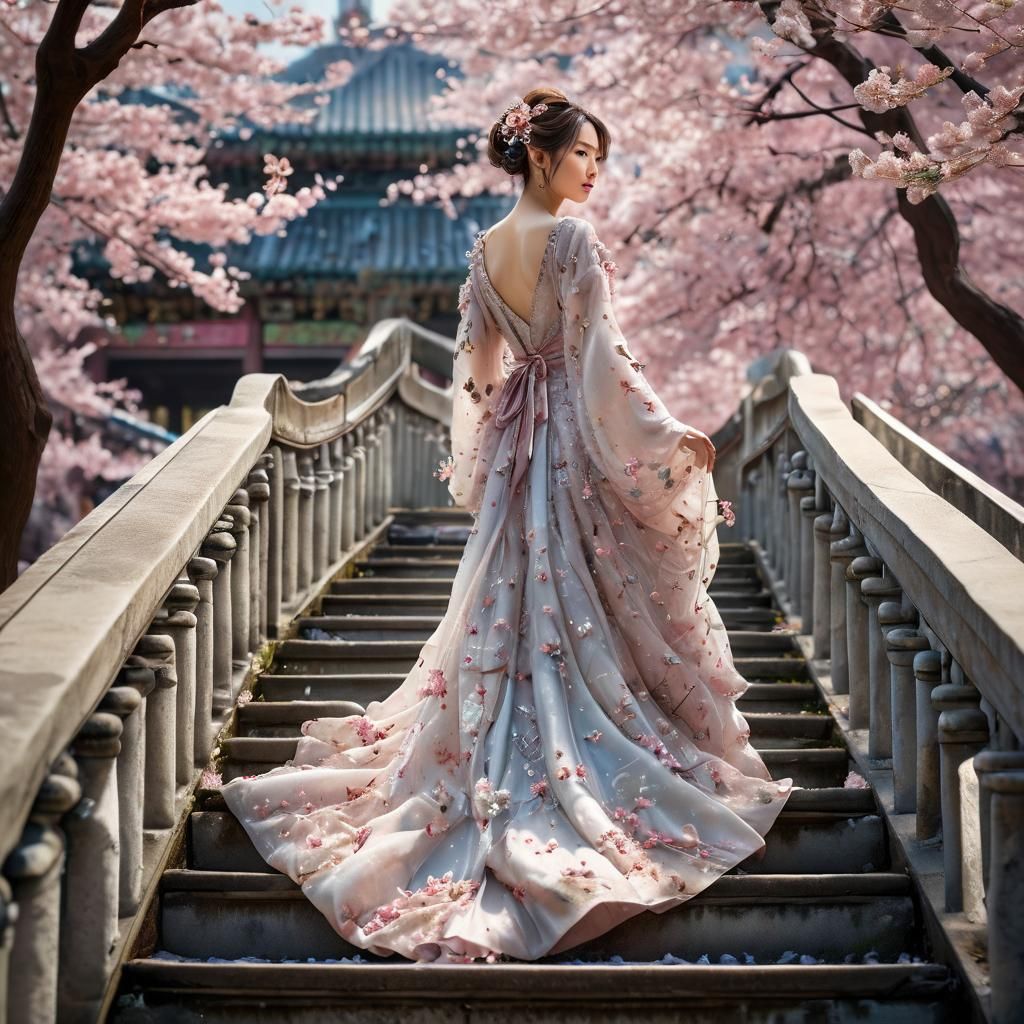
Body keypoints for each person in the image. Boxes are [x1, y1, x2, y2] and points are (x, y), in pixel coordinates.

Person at [221, 86, 793, 964]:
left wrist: (495, 458)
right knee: (584, 588)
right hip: (571, 436)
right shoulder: (571, 238)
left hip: (521, 442)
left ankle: (493, 752)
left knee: (511, 592)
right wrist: (663, 433)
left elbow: (480, 373)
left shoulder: (486, 251)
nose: (594, 172)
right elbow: (601, 358)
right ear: (538, 156)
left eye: (599, 157)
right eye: (583, 156)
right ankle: (573, 767)